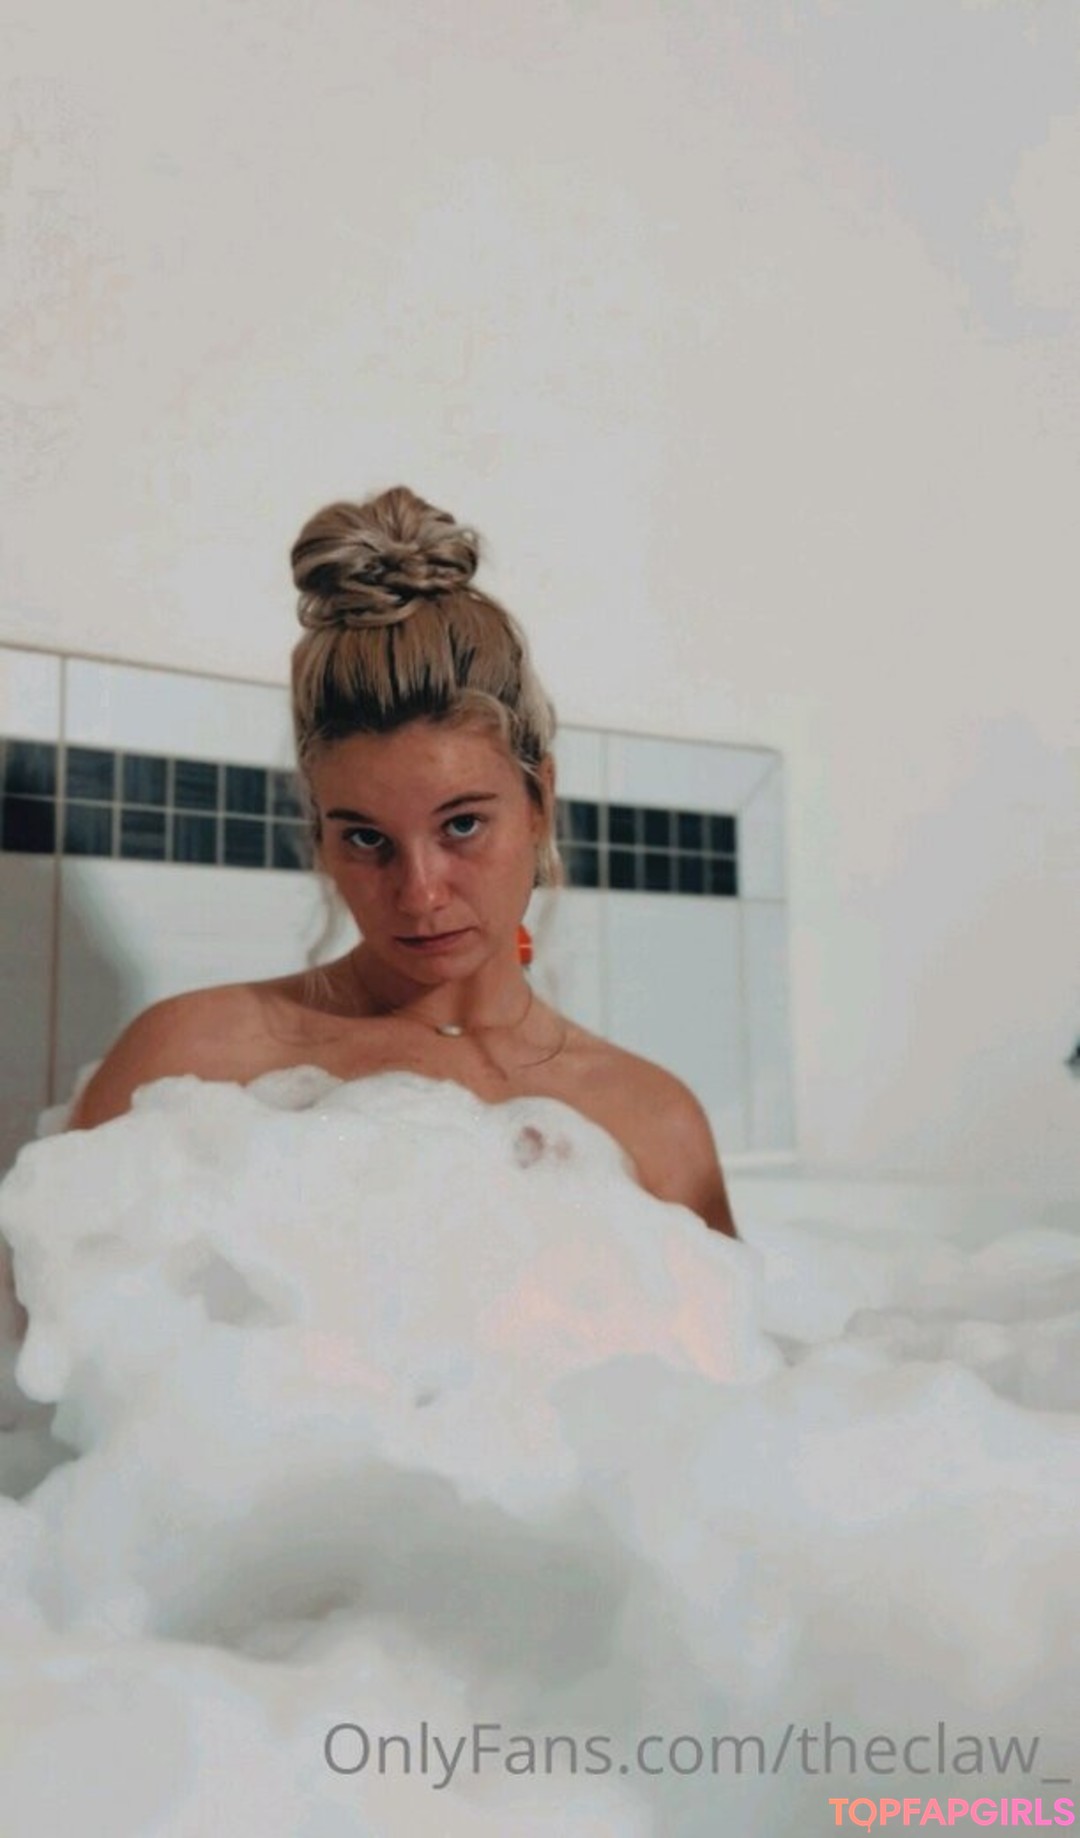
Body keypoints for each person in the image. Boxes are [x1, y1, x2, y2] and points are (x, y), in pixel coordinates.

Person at [69, 487, 738, 1237]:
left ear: (539, 801)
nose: (419, 895)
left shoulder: (650, 1125)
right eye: (366, 839)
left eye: (462, 825)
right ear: (320, 830)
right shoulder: (192, 1065)